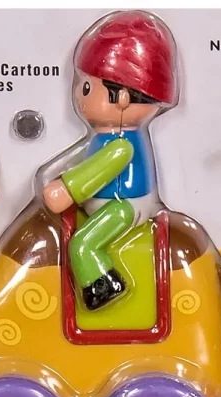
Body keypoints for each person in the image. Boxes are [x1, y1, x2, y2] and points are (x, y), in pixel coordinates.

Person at [43, 11, 177, 310]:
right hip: (110, 203)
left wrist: (66, 189)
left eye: (88, 88)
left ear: (123, 98)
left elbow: (99, 170)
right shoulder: (110, 138)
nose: (79, 96)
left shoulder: (120, 145)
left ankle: (105, 286)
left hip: (124, 206)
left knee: (83, 244)